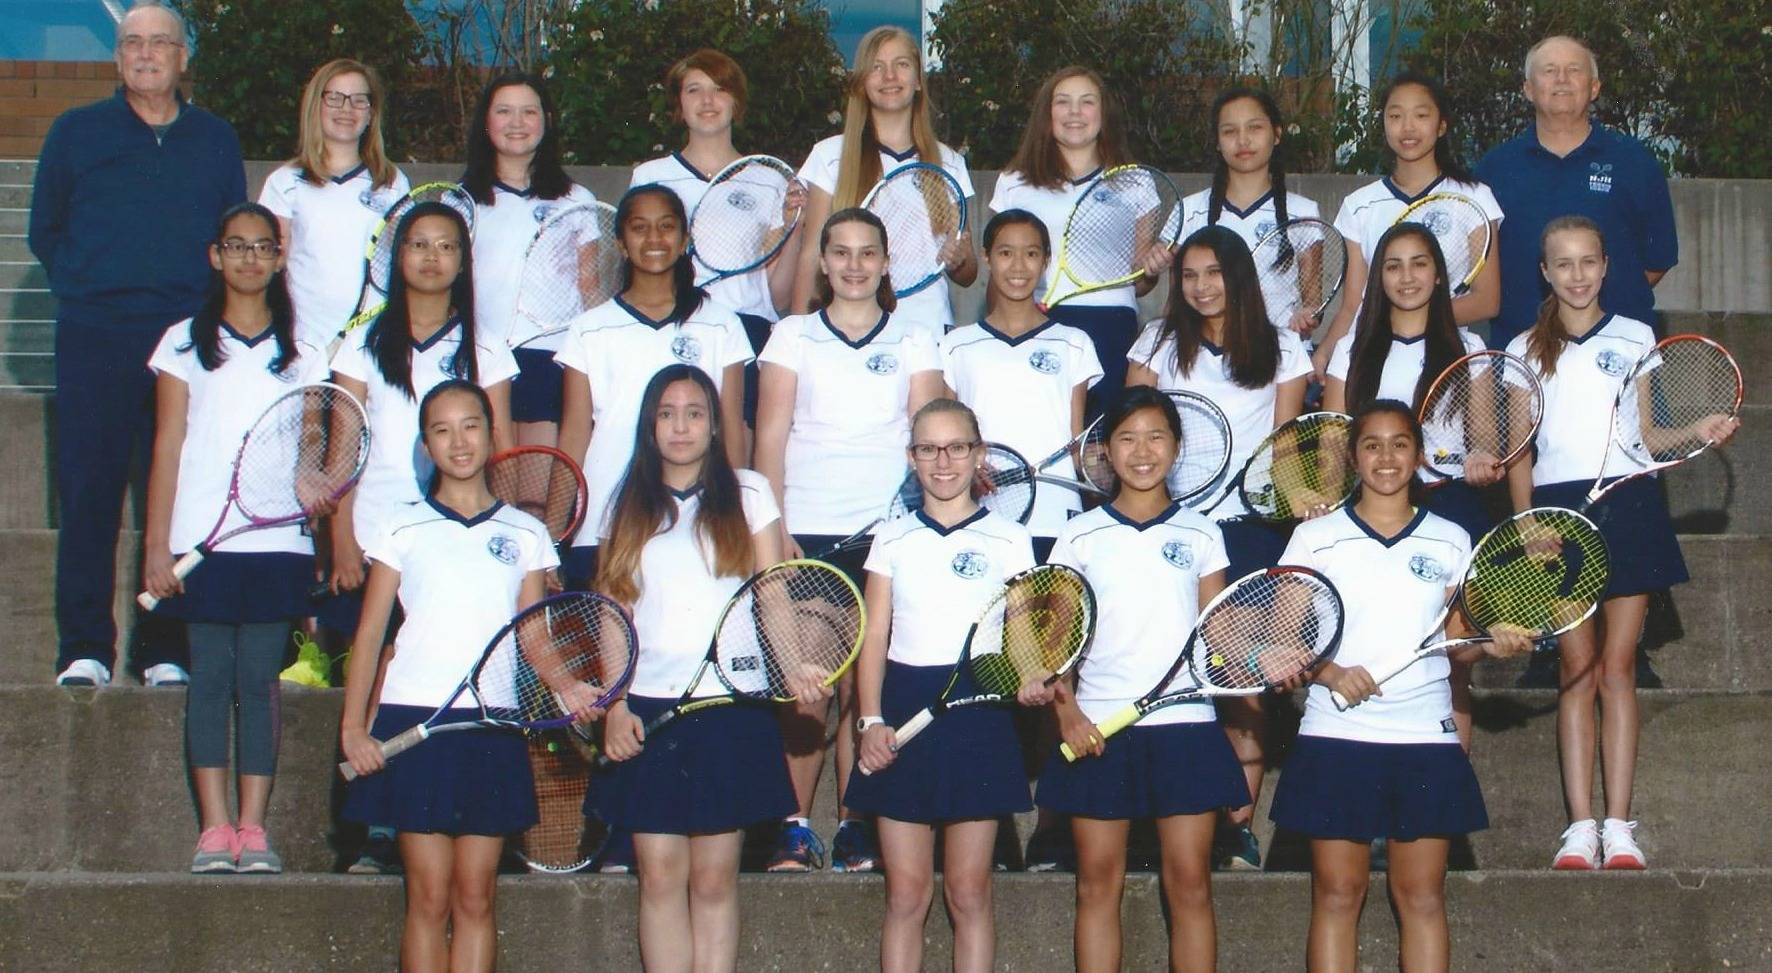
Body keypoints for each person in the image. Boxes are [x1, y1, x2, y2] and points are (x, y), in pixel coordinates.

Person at [1503, 216, 1736, 870]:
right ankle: (1578, 826)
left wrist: (1698, 428)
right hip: (1557, 514)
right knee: (1575, 670)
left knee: (1618, 668)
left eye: (1588, 261)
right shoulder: (1523, 348)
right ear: (1545, 272)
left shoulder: (1636, 335)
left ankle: (1618, 825)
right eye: (1563, 263)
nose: (1577, 274)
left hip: (1629, 506)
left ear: (1605, 267)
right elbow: (1520, 449)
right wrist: (1526, 523)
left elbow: (1646, 436)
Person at [1271, 400, 1531, 973]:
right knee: (1338, 895)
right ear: (1353, 456)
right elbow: (1282, 639)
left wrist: (1493, 643)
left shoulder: (1452, 540)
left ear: (1417, 455)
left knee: (1422, 898)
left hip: (1423, 738)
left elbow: (1458, 646)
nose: (1386, 458)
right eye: (1371, 444)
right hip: (1338, 734)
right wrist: (1330, 672)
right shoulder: (1316, 538)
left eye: (1399, 444)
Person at [30, 0, 245, 687]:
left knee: (179, 496)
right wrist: (89, 288)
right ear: (117, 57)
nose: (146, 54)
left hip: (185, 345)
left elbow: (229, 237)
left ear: (184, 57)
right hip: (97, 336)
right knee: (90, 492)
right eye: (132, 44)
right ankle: (84, 648)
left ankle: (164, 648)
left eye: (160, 43)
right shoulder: (76, 132)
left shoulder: (214, 139)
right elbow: (46, 229)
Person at [339, 380, 561, 973]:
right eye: (441, 429)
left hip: (491, 728)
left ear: (492, 435)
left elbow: (533, 636)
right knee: (429, 896)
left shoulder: (525, 533)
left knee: (475, 895)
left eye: (470, 425)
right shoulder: (400, 526)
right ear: (425, 444)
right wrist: (354, 731)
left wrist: (570, 686)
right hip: (415, 723)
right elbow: (370, 636)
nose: (458, 441)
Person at [328, 202, 517, 875]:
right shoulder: (362, 341)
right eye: (417, 244)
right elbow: (343, 443)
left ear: (463, 262)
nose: (430, 258)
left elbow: (507, 447)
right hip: (383, 531)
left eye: (445, 246)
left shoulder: (487, 344)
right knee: (382, 662)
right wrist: (341, 535)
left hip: (462, 540)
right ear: (396, 257)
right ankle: (381, 821)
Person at [591, 364, 800, 973]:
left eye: (695, 413)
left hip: (730, 706)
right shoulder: (624, 504)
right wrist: (616, 704)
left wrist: (793, 671)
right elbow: (611, 614)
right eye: (667, 413)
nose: (680, 427)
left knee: (713, 880)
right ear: (649, 426)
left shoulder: (751, 492)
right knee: (659, 877)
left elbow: (773, 592)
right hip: (651, 709)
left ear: (714, 426)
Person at [754, 208, 943, 873]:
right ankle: (795, 825)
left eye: (869, 253)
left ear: (887, 262)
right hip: (807, 533)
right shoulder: (792, 336)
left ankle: (856, 822)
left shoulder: (917, 339)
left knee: (868, 690)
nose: (855, 265)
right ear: (824, 262)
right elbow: (769, 440)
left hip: (888, 538)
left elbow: (930, 428)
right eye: (841, 252)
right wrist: (774, 536)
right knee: (812, 686)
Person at [142, 203, 328, 874]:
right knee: (211, 677)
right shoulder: (181, 343)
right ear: (215, 256)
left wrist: (314, 482)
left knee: (259, 681)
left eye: (263, 247)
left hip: (278, 541)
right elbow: (168, 444)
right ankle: (214, 828)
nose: (251, 258)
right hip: (205, 542)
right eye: (236, 246)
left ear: (279, 259)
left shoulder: (305, 351)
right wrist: (156, 546)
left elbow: (312, 442)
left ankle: (254, 827)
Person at [1039, 386, 1247, 973]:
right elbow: (1056, 647)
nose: (1142, 451)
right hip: (1099, 728)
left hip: (1184, 727)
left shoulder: (1204, 535)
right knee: (1096, 885)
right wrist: (1068, 713)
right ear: (1105, 450)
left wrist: (1265, 658)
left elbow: (1219, 635)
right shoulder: (1077, 538)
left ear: (1177, 448)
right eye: (1127, 438)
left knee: (1190, 886)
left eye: (1156, 436)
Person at [1126, 225, 1309, 869]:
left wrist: (1300, 502)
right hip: (1172, 531)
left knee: (1245, 682)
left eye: (1215, 273)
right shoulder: (1155, 343)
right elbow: (1132, 426)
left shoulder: (1284, 347)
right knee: (1171, 680)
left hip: (1251, 531)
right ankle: (1164, 825)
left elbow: (1286, 443)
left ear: (1239, 277)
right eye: (1190, 275)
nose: (1202, 287)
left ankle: (1237, 823)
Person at [849, 398, 1038, 973]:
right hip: (906, 707)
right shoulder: (892, 538)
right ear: (911, 458)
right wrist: (870, 720)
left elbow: (1024, 635)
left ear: (979, 454)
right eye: (928, 449)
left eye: (957, 447)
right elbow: (875, 634)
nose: (943, 461)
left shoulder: (1011, 539)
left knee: (968, 892)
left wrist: (1031, 678)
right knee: (906, 895)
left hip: (978, 714)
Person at [1323, 225, 1490, 748]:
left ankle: (1447, 785)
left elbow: (1483, 438)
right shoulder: (1352, 349)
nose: (1407, 276)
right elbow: (1333, 439)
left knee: (1453, 665)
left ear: (1439, 275)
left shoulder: (1470, 347)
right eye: (1393, 265)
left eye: (1419, 264)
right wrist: (1326, 497)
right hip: (1370, 512)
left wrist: (1482, 458)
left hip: (1449, 508)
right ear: (1378, 277)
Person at [555, 185, 751, 590]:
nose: (654, 239)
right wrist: (554, 532)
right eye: (639, 228)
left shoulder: (722, 324)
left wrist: (735, 512)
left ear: (684, 240)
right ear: (621, 244)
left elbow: (730, 427)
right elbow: (574, 434)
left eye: (666, 227)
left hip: (696, 523)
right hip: (604, 521)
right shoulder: (589, 328)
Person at [629, 49, 808, 431]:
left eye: (720, 89)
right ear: (679, 104)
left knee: (736, 451)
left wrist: (793, 230)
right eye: (694, 90)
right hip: (674, 326)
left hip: (749, 328)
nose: (708, 101)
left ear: (736, 102)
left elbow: (777, 296)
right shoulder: (650, 177)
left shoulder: (770, 179)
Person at [1477, 35, 1678, 352]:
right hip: (1521, 354)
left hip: (1618, 356)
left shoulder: (1634, 162)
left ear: (1595, 87)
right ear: (1528, 89)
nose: (1561, 79)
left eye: (1573, 69)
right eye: (1549, 70)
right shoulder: (1493, 170)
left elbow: (1658, 259)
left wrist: (1591, 301)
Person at [989, 66, 1162, 412]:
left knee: (1100, 445)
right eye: (1063, 102)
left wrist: (1153, 269)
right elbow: (999, 271)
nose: (1074, 113)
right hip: (1036, 317)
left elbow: (1140, 282)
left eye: (1086, 102)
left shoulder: (1137, 182)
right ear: (1047, 114)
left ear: (1103, 113)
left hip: (1112, 325)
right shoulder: (1013, 182)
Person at [1315, 72, 1503, 380]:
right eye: (1395, 115)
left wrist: (1408, 318)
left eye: (1421, 114)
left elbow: (1487, 300)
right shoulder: (1359, 204)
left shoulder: (1475, 198)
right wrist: (1326, 350)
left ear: (1441, 125)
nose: (1408, 127)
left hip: (1446, 359)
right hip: (1373, 358)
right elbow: (1352, 305)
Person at [790, 25, 976, 331]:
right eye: (876, 67)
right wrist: (797, 334)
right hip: (847, 330)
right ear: (862, 82)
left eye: (901, 65)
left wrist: (960, 258)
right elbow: (812, 254)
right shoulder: (828, 156)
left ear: (918, 81)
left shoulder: (950, 163)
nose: (890, 77)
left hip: (928, 331)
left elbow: (967, 275)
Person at [941, 209, 1102, 561]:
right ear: (986, 258)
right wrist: (966, 470)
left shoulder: (1074, 343)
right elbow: (946, 438)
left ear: (1046, 261)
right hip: (979, 515)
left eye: (1031, 254)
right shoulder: (955, 345)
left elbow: (1075, 441)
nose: (1018, 266)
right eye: (1005, 253)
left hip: (1056, 517)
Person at [461, 72, 599, 446]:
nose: (517, 123)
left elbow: (591, 289)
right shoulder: (460, 202)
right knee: (493, 488)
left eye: (529, 112)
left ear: (547, 121)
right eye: (504, 111)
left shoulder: (577, 199)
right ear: (486, 123)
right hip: (483, 359)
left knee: (540, 492)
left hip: (550, 357)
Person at [258, 58, 408, 347]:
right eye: (335, 98)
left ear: (371, 113)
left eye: (358, 100)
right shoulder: (284, 182)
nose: (346, 109)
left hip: (372, 343)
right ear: (316, 106)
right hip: (303, 344)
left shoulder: (392, 182)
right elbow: (270, 265)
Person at [1174, 86, 1323, 336]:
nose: (1242, 140)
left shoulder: (1303, 212)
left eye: (1254, 127)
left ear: (1276, 134)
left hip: (1281, 355)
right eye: (1230, 131)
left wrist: (1307, 317)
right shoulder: (1189, 211)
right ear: (1217, 142)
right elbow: (1176, 301)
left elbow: (1313, 301)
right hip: (1205, 356)